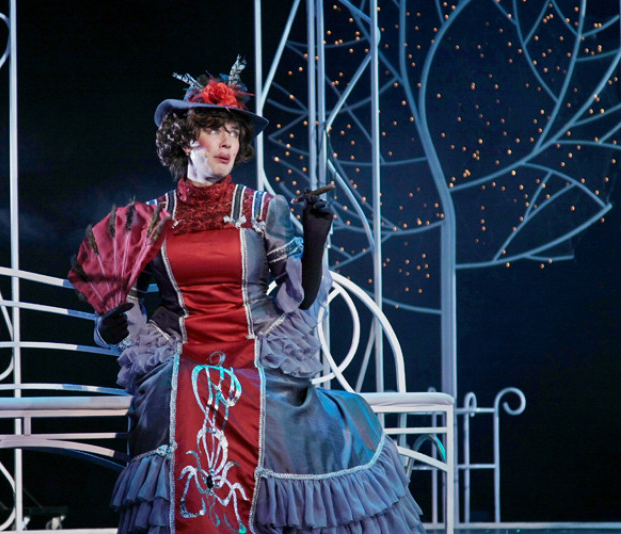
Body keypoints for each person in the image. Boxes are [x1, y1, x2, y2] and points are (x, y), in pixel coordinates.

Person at [71, 57, 425, 533]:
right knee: (186, 394)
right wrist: (113, 324)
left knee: (261, 407)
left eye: (234, 133)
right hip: (180, 353)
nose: (227, 142)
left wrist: (315, 239)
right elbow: (121, 303)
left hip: (256, 350)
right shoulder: (150, 219)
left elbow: (301, 296)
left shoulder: (263, 209)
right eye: (214, 129)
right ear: (185, 139)